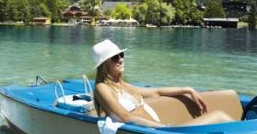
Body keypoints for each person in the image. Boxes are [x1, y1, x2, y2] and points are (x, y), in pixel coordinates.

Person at [91, 39, 236, 127]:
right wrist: (163, 127)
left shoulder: (124, 86)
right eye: (115, 58)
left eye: (121, 55)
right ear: (104, 64)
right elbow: (125, 117)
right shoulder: (102, 87)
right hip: (159, 131)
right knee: (219, 116)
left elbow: (157, 92)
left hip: (162, 129)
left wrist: (188, 89)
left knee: (220, 117)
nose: (121, 59)